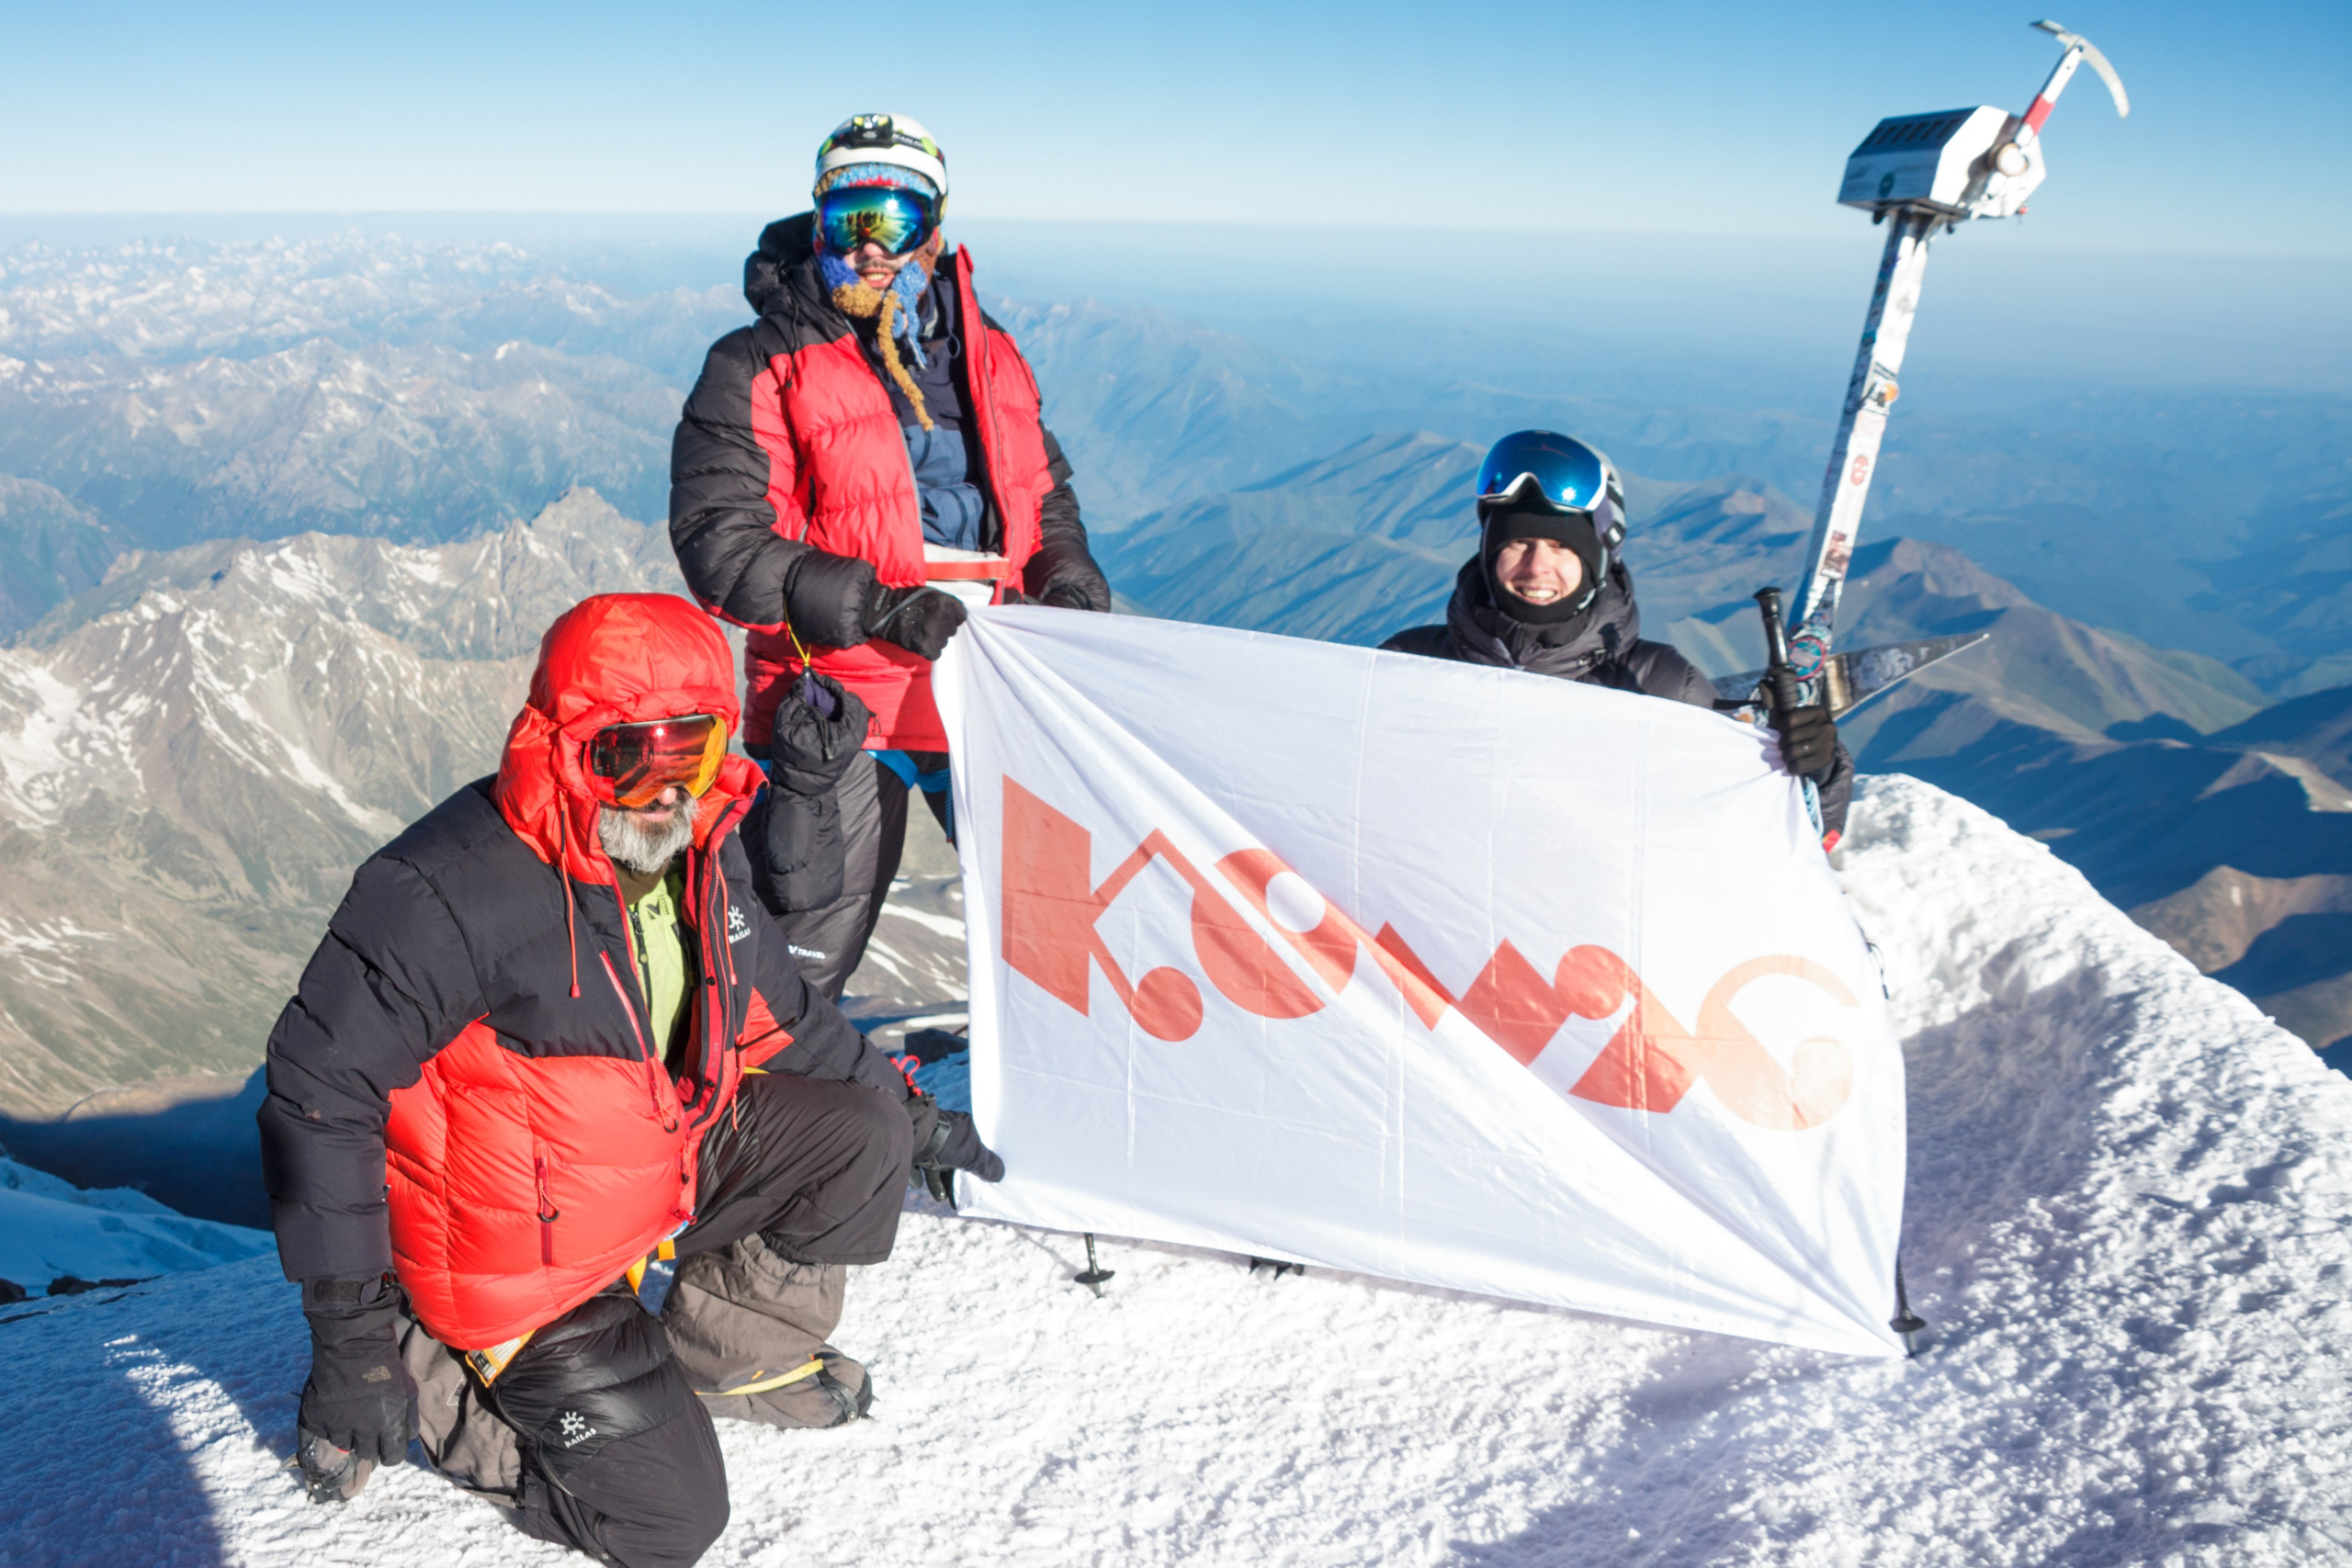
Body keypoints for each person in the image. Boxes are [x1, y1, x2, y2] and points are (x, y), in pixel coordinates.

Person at [257, 593, 1003, 1568]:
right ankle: (427, 1358)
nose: (664, 790)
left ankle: (731, 1353)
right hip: (519, 1265)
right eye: (629, 757)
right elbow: (318, 1090)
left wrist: (915, 1117)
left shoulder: (699, 850)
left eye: (691, 751)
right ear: (564, 747)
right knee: (669, 1520)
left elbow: (781, 1013)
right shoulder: (447, 888)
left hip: (641, 1172)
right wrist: (350, 1345)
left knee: (863, 1133)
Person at [670, 111, 1112, 999]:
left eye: (894, 219)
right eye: (849, 220)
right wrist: (882, 606)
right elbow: (721, 544)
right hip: (839, 695)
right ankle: (757, 1088)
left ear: (933, 228)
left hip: (989, 680)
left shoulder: (992, 357)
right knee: (795, 963)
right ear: (818, 221)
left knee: (1064, 938)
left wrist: (1064, 574)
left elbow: (1042, 492)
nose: (870, 248)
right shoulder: (759, 363)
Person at [1382, 430, 1851, 842]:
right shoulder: (1406, 666)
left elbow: (1788, 840)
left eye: (1562, 547)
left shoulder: (1663, 687)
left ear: (1598, 559)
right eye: (1518, 542)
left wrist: (1814, 771)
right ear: (1489, 552)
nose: (1537, 566)